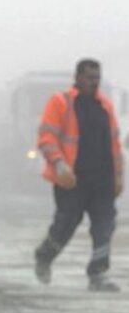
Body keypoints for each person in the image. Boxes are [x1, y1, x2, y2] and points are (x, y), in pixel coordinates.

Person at [35, 59, 124, 292]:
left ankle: (98, 275)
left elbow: (114, 144)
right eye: (89, 77)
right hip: (72, 180)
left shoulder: (104, 106)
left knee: (104, 226)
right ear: (77, 77)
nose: (94, 82)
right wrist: (59, 164)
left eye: (97, 78)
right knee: (66, 224)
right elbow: (46, 138)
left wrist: (118, 176)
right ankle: (45, 256)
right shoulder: (60, 102)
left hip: (102, 180)